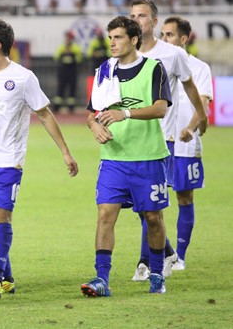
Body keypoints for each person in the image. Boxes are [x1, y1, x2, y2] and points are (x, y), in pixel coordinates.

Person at [0, 17, 79, 299]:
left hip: (9, 160)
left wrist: (65, 152)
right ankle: (6, 276)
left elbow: (44, 114)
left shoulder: (23, 77)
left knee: (2, 214)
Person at [81, 15, 172, 297]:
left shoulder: (154, 68)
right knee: (105, 215)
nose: (112, 43)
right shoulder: (104, 71)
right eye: (110, 38)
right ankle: (101, 279)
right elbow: (91, 113)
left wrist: (125, 113)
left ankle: (156, 274)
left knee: (153, 217)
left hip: (148, 157)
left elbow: (160, 109)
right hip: (113, 159)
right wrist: (95, 126)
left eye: (118, 37)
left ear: (134, 40)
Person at [128, 0, 208, 282]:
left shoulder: (173, 55)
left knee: (151, 205)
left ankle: (146, 262)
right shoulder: (125, 53)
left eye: (142, 16)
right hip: (130, 140)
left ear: (154, 21)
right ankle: (168, 253)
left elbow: (190, 87)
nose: (136, 20)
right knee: (141, 205)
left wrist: (200, 117)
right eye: (132, 15)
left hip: (163, 139)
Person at [160, 16, 213, 271]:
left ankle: (179, 256)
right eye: (162, 34)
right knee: (150, 201)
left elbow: (202, 102)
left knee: (184, 197)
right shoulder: (156, 64)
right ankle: (160, 252)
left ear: (183, 39)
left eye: (169, 35)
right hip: (159, 143)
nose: (164, 39)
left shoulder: (199, 67)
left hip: (186, 145)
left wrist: (191, 128)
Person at [52, 30, 83, 113]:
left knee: (72, 90)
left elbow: (79, 59)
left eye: (69, 38)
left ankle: (71, 107)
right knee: (60, 89)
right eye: (67, 38)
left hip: (72, 71)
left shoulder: (75, 48)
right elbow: (56, 57)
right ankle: (57, 107)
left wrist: (72, 57)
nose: (68, 40)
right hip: (62, 72)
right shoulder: (62, 47)